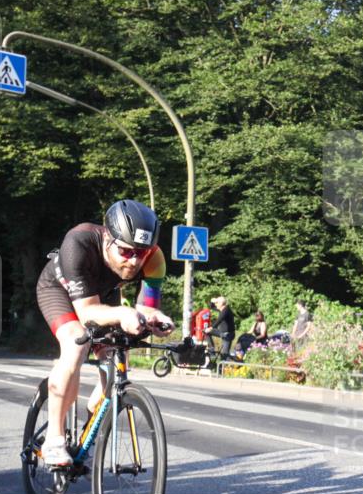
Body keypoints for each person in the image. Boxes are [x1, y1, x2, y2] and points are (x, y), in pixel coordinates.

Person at [36, 199, 175, 466]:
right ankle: (54, 437)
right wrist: (123, 314)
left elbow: (146, 308)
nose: (134, 261)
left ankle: (91, 418)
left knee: (116, 355)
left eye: (142, 253)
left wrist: (155, 319)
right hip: (58, 291)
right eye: (126, 252)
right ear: (108, 238)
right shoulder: (79, 243)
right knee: (76, 343)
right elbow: (87, 313)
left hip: (102, 296)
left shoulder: (154, 258)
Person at [206, 296, 235, 361]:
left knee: (224, 355)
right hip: (221, 332)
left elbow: (219, 320)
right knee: (206, 332)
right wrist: (212, 300)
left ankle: (236, 363)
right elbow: (211, 306)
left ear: (221, 304)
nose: (215, 305)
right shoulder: (221, 308)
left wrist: (211, 328)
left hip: (228, 335)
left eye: (217, 303)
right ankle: (212, 349)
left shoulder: (226, 311)